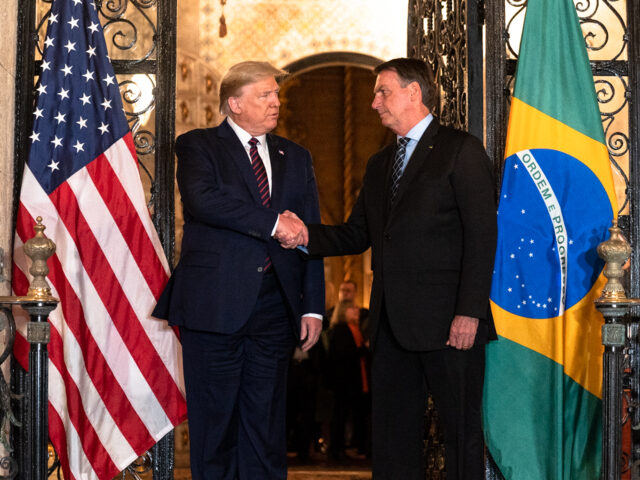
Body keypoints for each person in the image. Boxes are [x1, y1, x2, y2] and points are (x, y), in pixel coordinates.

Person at [279, 57, 497, 479]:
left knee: (461, 430)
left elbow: (482, 236)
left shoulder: (460, 149)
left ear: (413, 93)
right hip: (390, 325)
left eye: (383, 92)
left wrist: (469, 312)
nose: (375, 102)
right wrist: (304, 234)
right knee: (392, 437)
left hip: (450, 323)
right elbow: (355, 235)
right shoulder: (381, 164)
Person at [152, 60, 325, 480]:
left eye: (276, 95)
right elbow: (203, 201)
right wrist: (272, 222)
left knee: (266, 430)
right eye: (264, 94)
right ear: (234, 103)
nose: (275, 103)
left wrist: (313, 307)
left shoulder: (296, 156)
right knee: (216, 429)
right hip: (213, 307)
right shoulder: (198, 146)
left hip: (275, 310)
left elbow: (309, 234)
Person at [326, 300, 371, 460]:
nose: (357, 310)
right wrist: (363, 348)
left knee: (348, 415)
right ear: (344, 311)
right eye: (352, 308)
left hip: (353, 380)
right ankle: (336, 449)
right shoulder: (341, 329)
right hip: (343, 381)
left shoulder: (355, 328)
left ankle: (347, 447)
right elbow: (343, 355)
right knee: (339, 415)